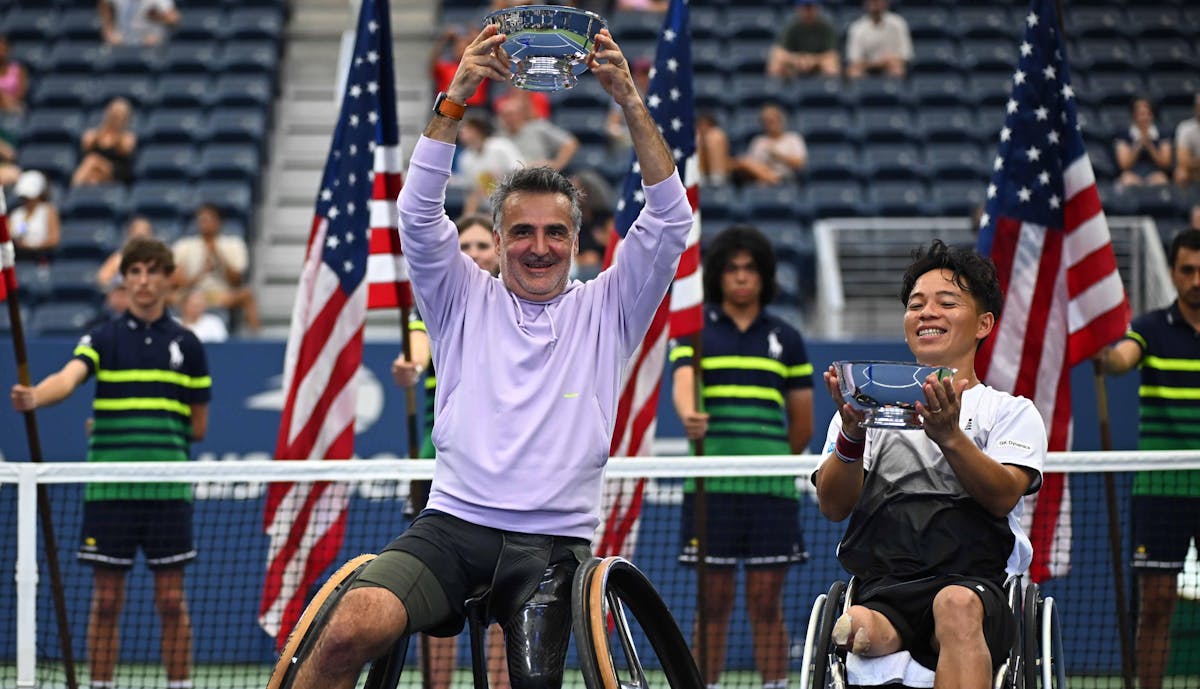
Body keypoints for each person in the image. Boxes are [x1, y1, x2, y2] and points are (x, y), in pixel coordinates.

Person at [287, 24, 691, 689]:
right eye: (522, 231)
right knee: (348, 627)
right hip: (451, 525)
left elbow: (670, 221)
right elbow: (416, 214)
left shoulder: (609, 307)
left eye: (555, 232)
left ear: (578, 240)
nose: (539, 246)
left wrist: (628, 99)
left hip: (556, 547)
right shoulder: (459, 297)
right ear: (498, 239)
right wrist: (459, 92)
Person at [814, 240, 1045, 689]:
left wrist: (950, 436)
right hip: (886, 588)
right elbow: (833, 505)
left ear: (983, 323)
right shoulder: (865, 411)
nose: (927, 313)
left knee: (953, 606)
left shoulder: (1010, 411)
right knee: (856, 627)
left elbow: (1001, 497)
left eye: (946, 302)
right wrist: (852, 434)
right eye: (916, 304)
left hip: (976, 587)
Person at [10, 236, 211, 689]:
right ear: (125, 279)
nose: (142, 281)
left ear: (167, 279)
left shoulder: (189, 345)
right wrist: (36, 396)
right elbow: (69, 377)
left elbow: (198, 427)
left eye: (151, 272)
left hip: (167, 491)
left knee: (171, 600)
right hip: (109, 492)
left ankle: (179, 686)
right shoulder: (102, 337)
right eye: (134, 272)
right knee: (105, 601)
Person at [670, 224, 814, 689]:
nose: (741, 277)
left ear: (764, 276)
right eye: (731, 268)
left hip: (770, 488)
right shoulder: (694, 332)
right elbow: (683, 384)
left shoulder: (787, 338)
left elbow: (803, 425)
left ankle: (774, 686)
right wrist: (690, 414)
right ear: (718, 276)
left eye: (750, 268)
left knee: (766, 600)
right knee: (712, 603)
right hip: (711, 486)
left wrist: (767, 461)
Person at [391, 214, 510, 689]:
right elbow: (418, 349)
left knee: (509, 590)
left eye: (484, 244)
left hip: (503, 463)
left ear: (499, 250)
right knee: (438, 590)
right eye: (467, 245)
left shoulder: (520, 304)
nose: (477, 252)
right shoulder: (434, 301)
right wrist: (411, 367)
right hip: (438, 464)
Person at [1097, 229, 1200, 689]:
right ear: (1174, 273)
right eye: (1188, 270)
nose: (1197, 280)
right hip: (1161, 489)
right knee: (1157, 603)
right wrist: (1102, 352)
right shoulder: (1153, 328)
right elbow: (1120, 360)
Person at [171, 203, 261, 333]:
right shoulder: (185, 245)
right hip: (189, 294)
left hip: (221, 294)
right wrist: (201, 274)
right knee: (162, 297)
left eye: (208, 219)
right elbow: (177, 281)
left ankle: (255, 338)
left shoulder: (233, 244)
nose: (204, 223)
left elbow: (236, 280)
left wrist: (217, 255)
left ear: (218, 222)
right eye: (201, 219)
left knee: (247, 295)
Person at [454, 116, 524, 216]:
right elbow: (473, 194)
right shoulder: (465, 158)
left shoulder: (501, 146)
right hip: (488, 210)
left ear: (477, 130)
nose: (461, 133)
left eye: (466, 129)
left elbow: (520, 171)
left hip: (514, 200)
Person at [495, 91, 578, 171]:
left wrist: (556, 165)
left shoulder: (538, 127)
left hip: (537, 176)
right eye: (504, 115)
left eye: (511, 114)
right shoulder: (498, 137)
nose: (509, 119)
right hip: (510, 179)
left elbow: (570, 143)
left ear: (520, 114)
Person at [731, 103, 808, 186]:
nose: (769, 125)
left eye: (772, 121)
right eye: (765, 121)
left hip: (786, 178)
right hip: (760, 179)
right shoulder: (759, 141)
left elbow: (800, 164)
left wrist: (777, 155)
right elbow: (753, 164)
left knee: (744, 162)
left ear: (781, 120)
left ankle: (774, 180)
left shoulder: (793, 138)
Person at [72, 98, 137, 187]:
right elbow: (86, 144)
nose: (116, 115)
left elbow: (125, 149)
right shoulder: (94, 135)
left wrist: (116, 132)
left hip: (115, 171)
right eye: (114, 111)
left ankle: (74, 188)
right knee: (92, 174)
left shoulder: (127, 137)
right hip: (95, 171)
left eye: (120, 113)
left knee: (92, 161)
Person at [767, 0, 840, 79]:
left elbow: (832, 54)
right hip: (796, 64)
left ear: (818, 8)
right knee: (776, 64)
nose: (808, 11)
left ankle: (829, 89)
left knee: (831, 65)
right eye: (805, 8)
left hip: (818, 63)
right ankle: (776, 90)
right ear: (798, 9)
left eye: (811, 7)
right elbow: (778, 51)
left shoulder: (826, 26)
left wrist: (813, 60)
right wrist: (797, 59)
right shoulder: (792, 25)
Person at [844, 0, 912, 79]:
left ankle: (893, 90)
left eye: (878, 1)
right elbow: (854, 60)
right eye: (872, 1)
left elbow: (906, 55)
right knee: (853, 72)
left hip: (890, 66)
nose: (875, 4)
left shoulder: (899, 24)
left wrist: (891, 60)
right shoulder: (857, 27)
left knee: (897, 69)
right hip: (866, 68)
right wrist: (878, 63)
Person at [1115, 97, 1173, 188]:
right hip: (1132, 174)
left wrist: (1150, 145)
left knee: (1162, 180)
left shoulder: (1162, 133)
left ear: (1152, 115)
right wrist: (1139, 144)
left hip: (1155, 174)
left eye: (1148, 114)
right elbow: (1124, 165)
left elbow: (1165, 163)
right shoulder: (1123, 134)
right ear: (1134, 115)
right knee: (1127, 180)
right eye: (1141, 114)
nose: (1144, 118)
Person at [9, 170, 61, 260]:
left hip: (41, 259)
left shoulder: (48, 211)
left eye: (29, 197)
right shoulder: (16, 214)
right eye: (24, 197)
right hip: (18, 259)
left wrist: (32, 246)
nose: (26, 200)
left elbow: (54, 239)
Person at [98, 216, 156, 290]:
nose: (141, 241)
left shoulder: (161, 259)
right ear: (129, 237)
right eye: (137, 236)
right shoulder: (118, 259)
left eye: (145, 235)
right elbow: (102, 280)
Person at [100, 0, 180, 47]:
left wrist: (155, 16)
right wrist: (109, 32)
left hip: (150, 40)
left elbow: (174, 18)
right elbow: (104, 4)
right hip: (122, 40)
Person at [696, 110, 732, 187]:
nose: (703, 128)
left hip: (720, 175)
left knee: (715, 137)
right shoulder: (697, 137)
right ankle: (699, 176)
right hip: (699, 176)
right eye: (700, 125)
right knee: (697, 138)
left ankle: (717, 177)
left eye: (707, 125)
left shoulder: (717, 136)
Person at [1173, 93, 1200, 188]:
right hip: (1194, 171)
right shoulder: (1185, 128)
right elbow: (1183, 161)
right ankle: (1185, 201)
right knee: (1181, 173)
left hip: (1195, 164)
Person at [0, 34, 29, 114]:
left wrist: (5, 98)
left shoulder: (19, 70)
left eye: (2, 47)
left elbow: (21, 94)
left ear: (8, 49)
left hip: (14, 107)